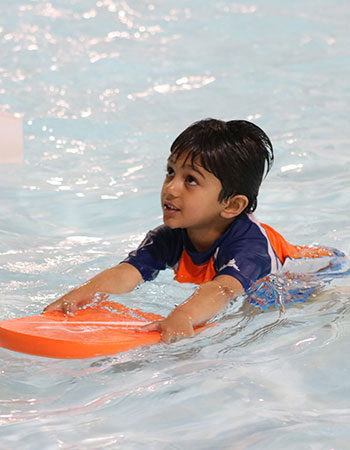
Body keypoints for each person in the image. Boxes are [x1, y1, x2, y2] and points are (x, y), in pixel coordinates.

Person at [44, 118, 337, 342]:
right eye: (171, 172)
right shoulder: (169, 236)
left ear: (232, 205)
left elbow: (223, 289)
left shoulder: (251, 248)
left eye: (191, 180)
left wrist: (182, 315)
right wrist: (80, 294)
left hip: (316, 275)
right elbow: (127, 272)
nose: (170, 188)